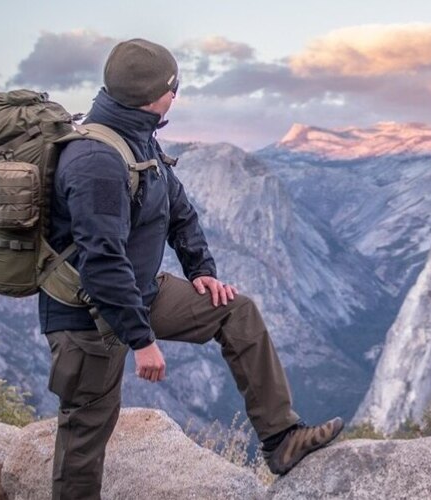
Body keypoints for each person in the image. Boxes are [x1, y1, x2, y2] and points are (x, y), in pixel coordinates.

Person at [39, 38, 342, 499]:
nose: (176, 96)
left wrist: (201, 268)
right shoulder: (96, 160)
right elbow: (101, 262)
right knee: (87, 429)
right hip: (87, 315)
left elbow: (177, 208)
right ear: (149, 94)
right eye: (172, 88)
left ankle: (282, 440)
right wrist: (141, 340)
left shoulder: (137, 134)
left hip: (138, 292)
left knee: (235, 312)